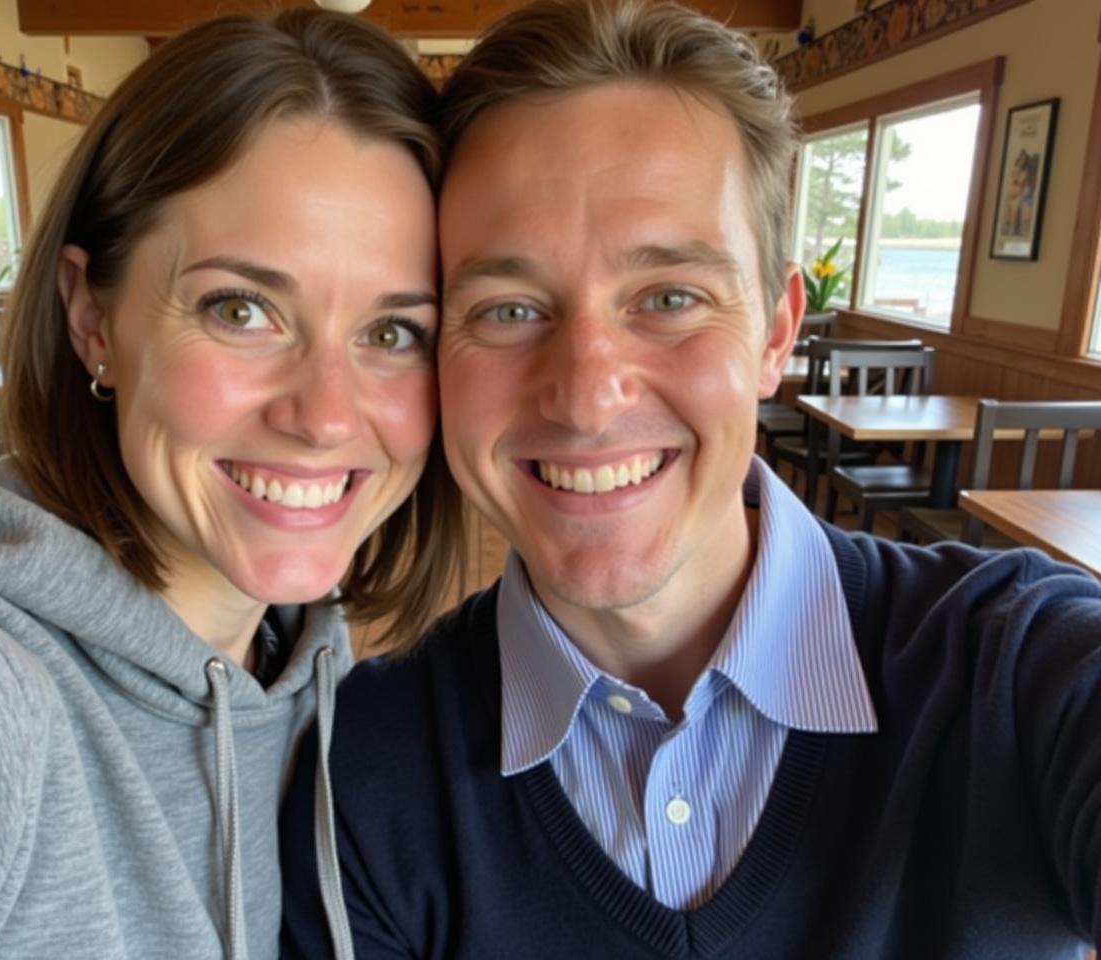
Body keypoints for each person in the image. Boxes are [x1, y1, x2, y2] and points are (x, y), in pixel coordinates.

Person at [279, 0, 1101, 956]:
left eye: (670, 298)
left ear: (777, 332)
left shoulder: (1017, 668)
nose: (587, 396)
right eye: (507, 310)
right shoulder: (364, 769)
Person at [0, 10, 463, 960]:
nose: (326, 415)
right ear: (92, 317)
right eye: (242, 309)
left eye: (391, 332)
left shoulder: (306, 662)